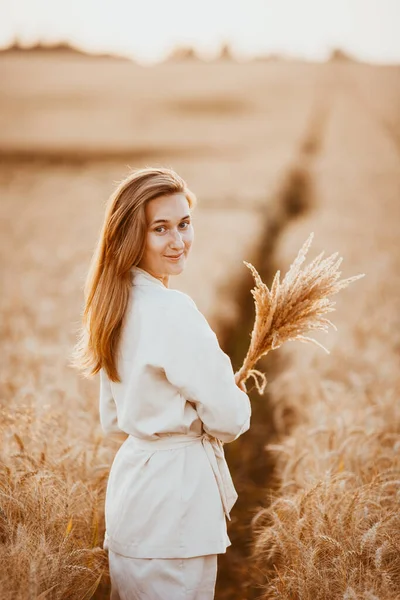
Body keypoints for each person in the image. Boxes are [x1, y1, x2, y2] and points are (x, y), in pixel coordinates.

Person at [72, 166, 252, 599]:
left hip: (133, 497)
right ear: (132, 236)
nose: (178, 241)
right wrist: (234, 395)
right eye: (161, 229)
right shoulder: (173, 310)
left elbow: (114, 421)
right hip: (178, 507)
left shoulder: (112, 305)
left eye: (184, 224)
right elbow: (229, 420)